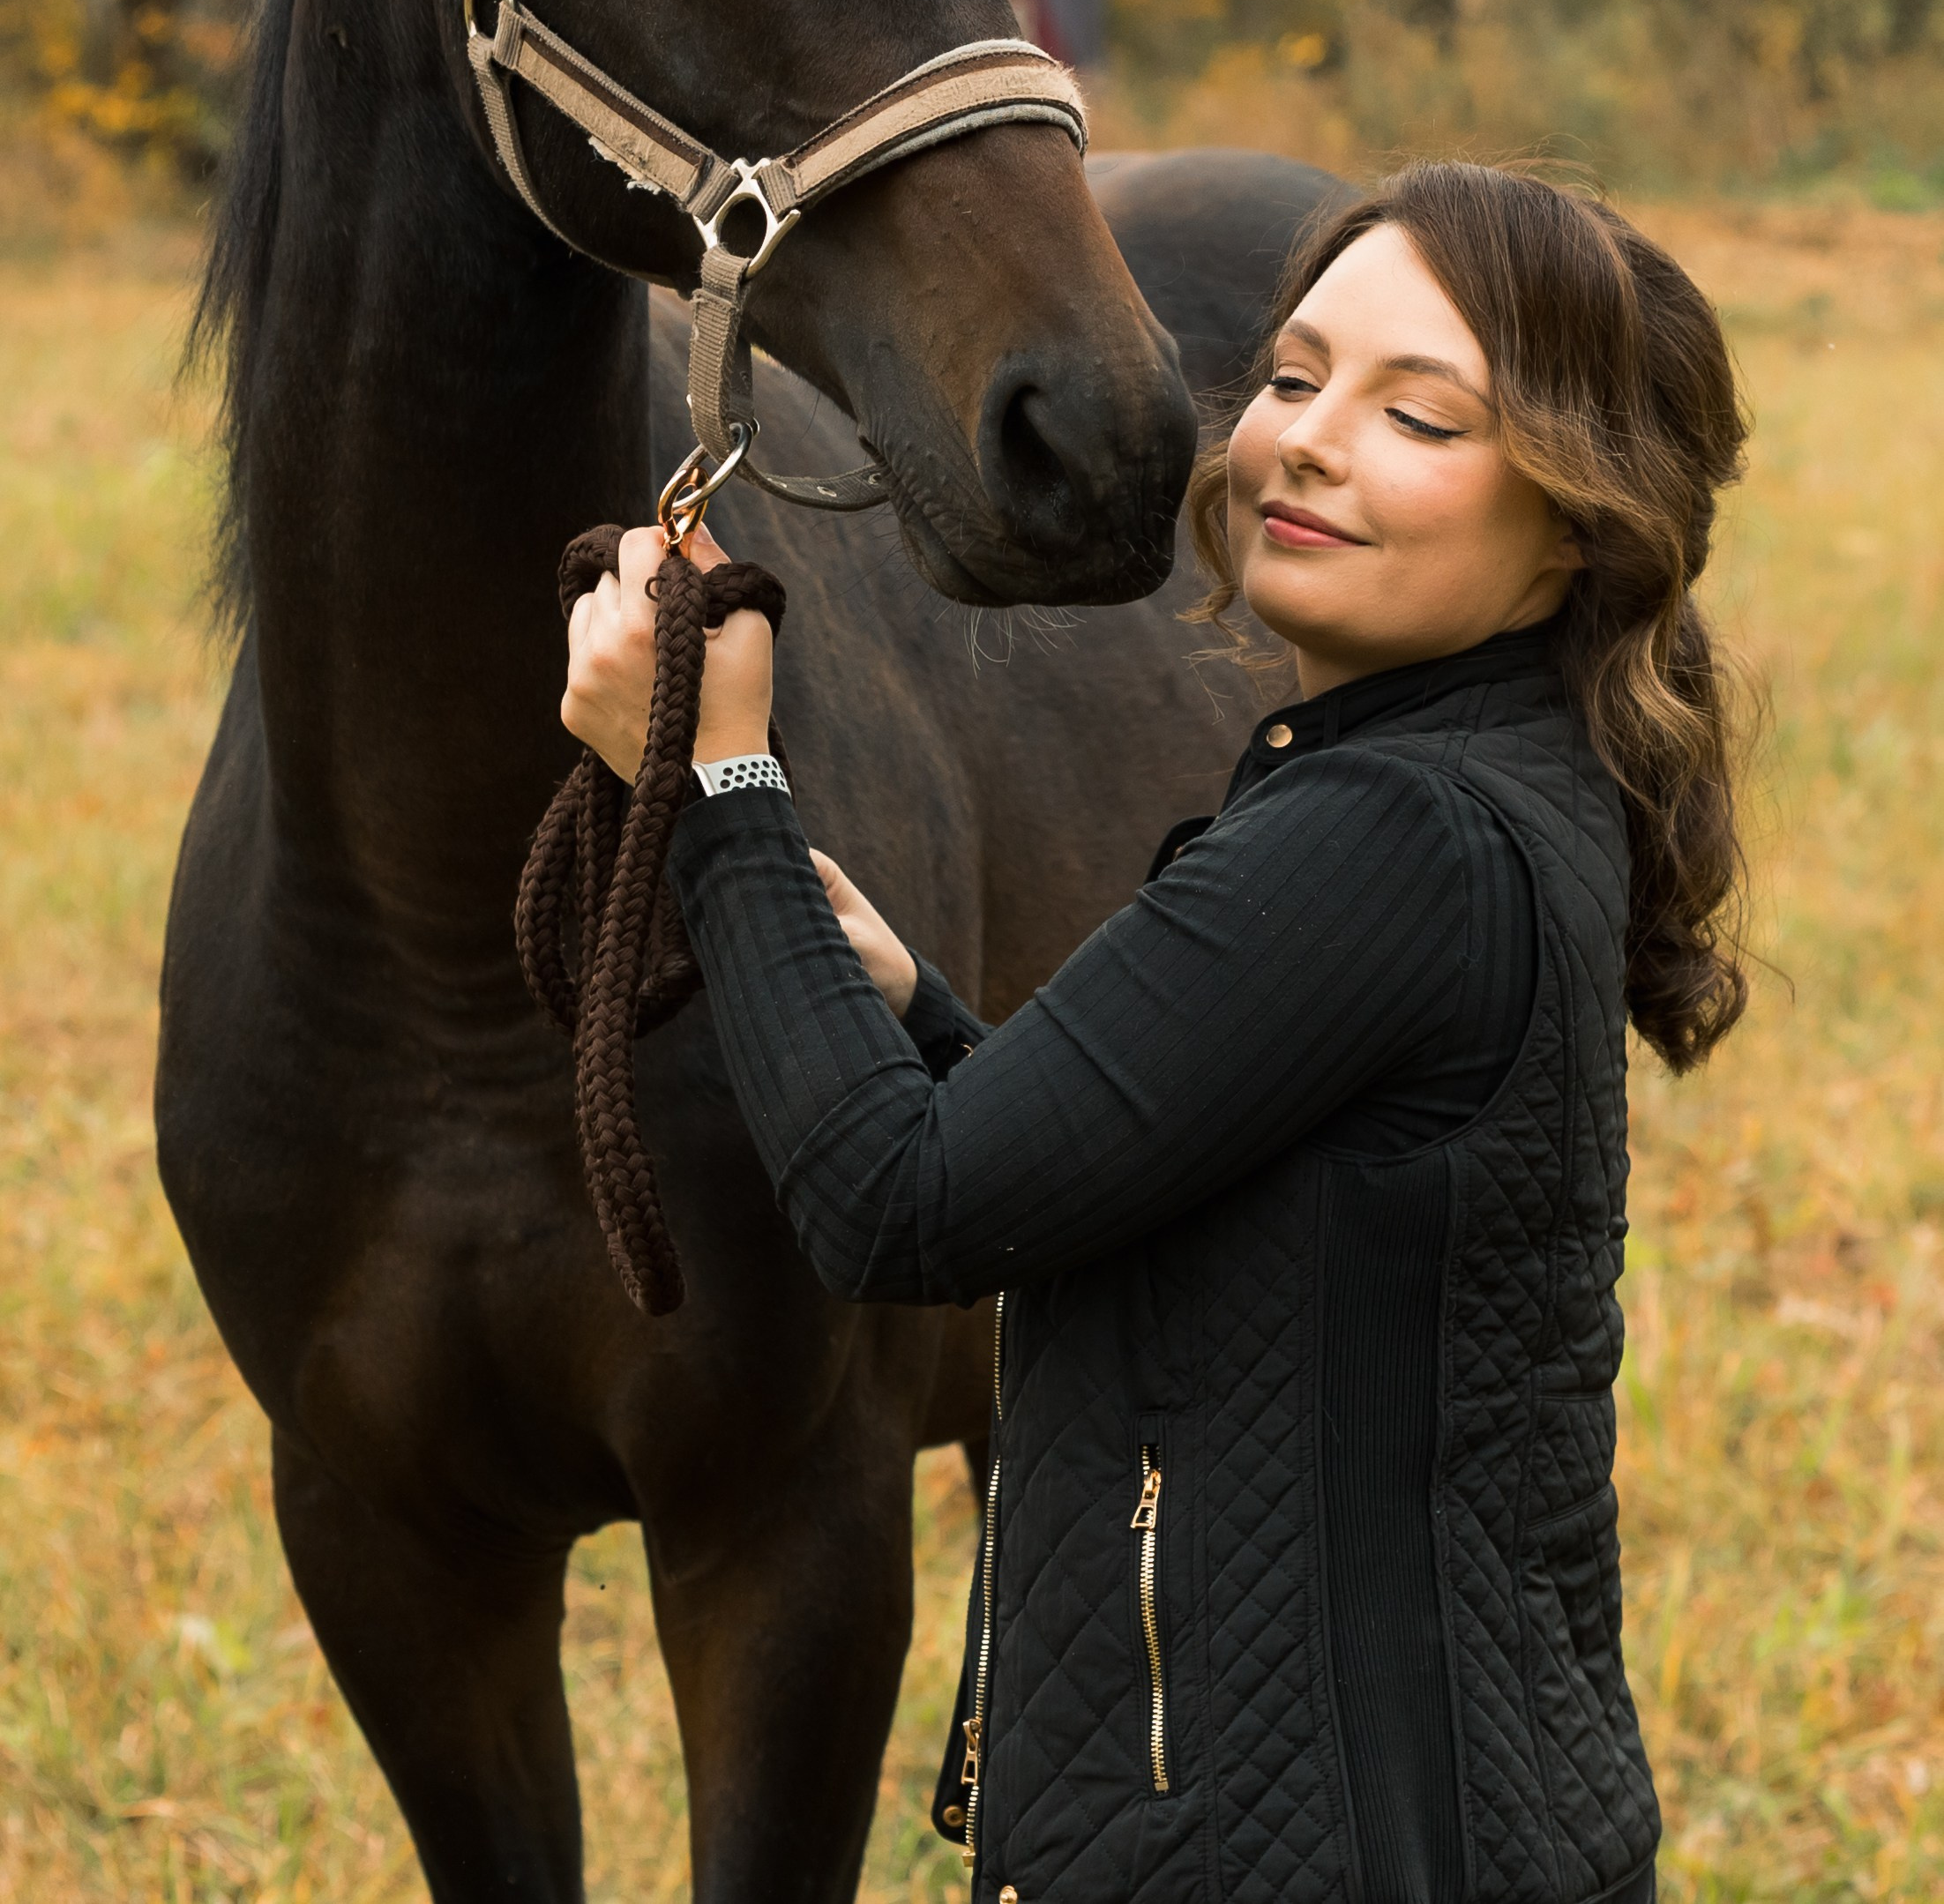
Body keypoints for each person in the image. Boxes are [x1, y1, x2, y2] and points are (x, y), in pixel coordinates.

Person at [564, 161, 1749, 1904]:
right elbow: (1163, 1186)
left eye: (1417, 416)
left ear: (1577, 519)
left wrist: (724, 778)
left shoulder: (1388, 838)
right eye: (1288, 377)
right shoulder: (1453, 786)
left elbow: (901, 1208)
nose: (1306, 441)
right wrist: (919, 1012)